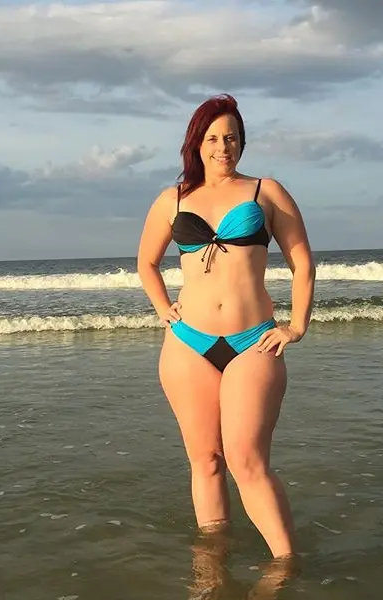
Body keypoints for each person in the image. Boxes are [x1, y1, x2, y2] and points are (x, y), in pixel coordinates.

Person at [137, 94, 315, 559]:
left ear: (242, 142)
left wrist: (296, 326)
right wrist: (163, 308)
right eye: (213, 138)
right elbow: (146, 262)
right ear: (196, 143)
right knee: (206, 461)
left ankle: (286, 566)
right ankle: (213, 567)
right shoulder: (173, 199)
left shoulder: (266, 191)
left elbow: (302, 263)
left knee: (247, 461)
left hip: (253, 342)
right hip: (187, 344)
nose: (223, 147)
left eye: (232, 137)